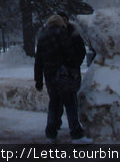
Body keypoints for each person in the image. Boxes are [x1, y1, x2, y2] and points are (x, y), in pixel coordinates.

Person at [34, 13, 91, 143]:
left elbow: (38, 61)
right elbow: (70, 53)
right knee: (71, 104)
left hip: (49, 76)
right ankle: (76, 134)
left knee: (54, 104)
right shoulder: (62, 34)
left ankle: (50, 134)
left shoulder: (42, 37)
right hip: (63, 76)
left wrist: (38, 80)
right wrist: (71, 66)